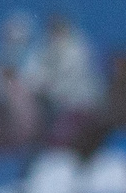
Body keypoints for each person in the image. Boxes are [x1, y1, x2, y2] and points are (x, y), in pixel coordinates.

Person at [27, 14, 103, 144]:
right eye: (53, 30)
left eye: (60, 30)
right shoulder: (44, 49)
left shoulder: (78, 50)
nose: (56, 35)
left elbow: (70, 84)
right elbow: (33, 78)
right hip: (52, 107)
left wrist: (47, 87)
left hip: (80, 106)